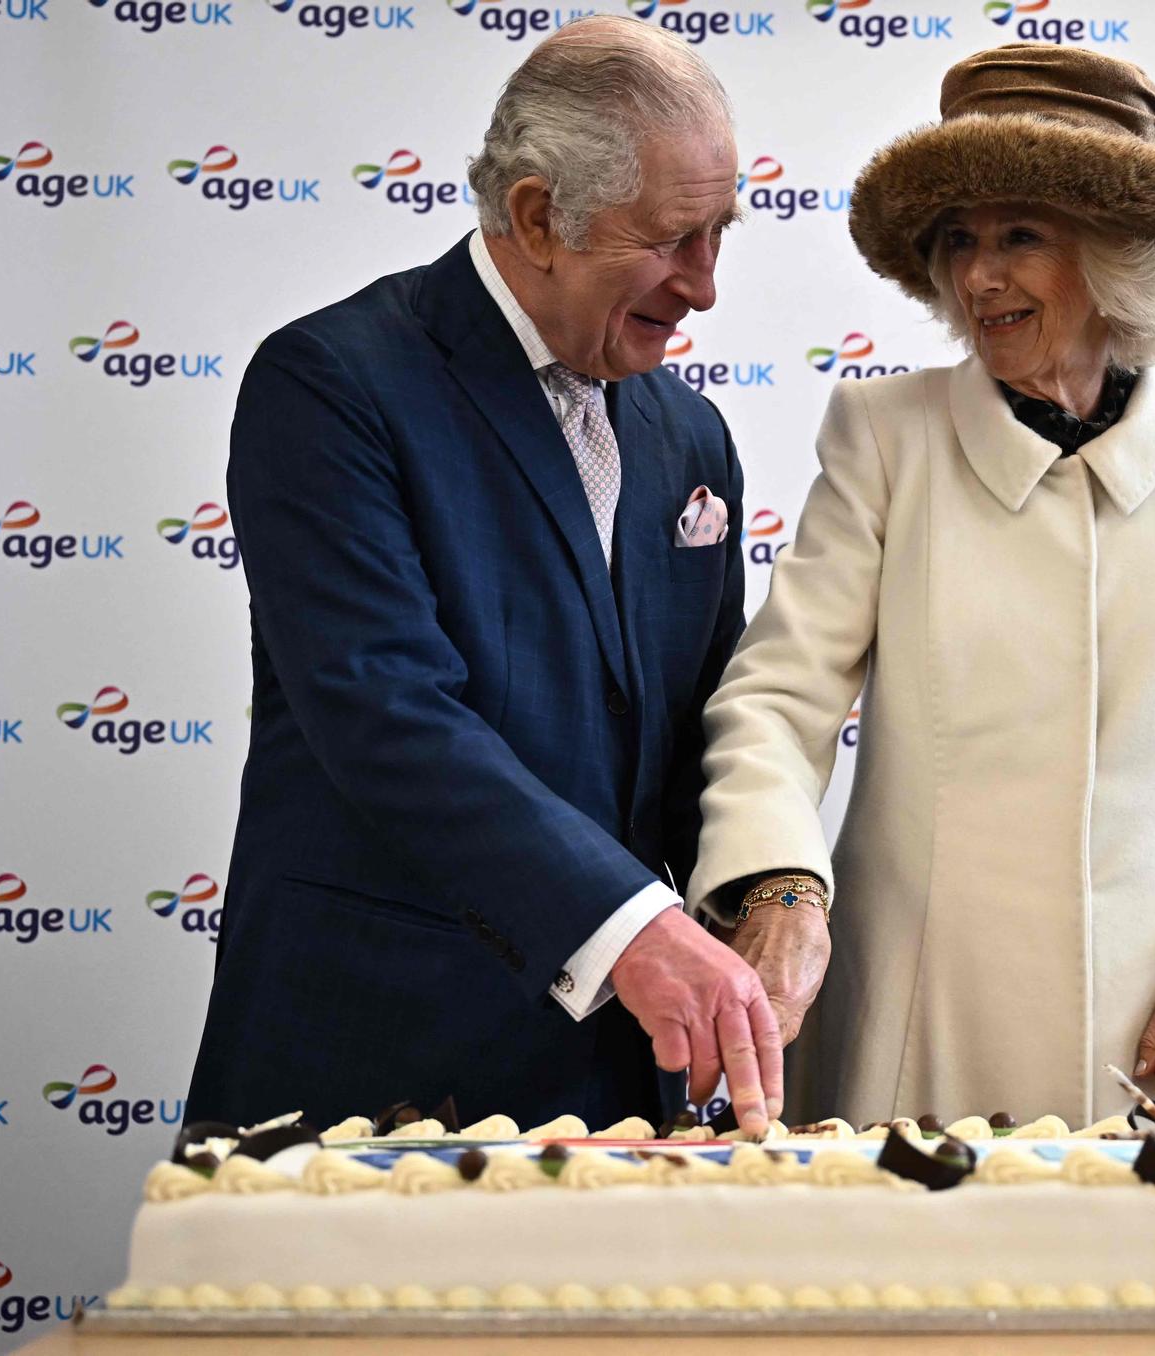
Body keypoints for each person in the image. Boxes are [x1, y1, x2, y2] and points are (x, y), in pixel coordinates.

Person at [686, 43, 1155, 1127]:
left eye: (1020, 236)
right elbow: (774, 701)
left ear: (1117, 251)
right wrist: (781, 887)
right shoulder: (884, 435)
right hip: (923, 1031)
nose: (979, 276)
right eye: (959, 242)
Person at [186, 15, 785, 1138]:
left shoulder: (689, 436)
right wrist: (635, 930)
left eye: (720, 235)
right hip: (381, 1062)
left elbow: (712, 727)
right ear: (535, 216)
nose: (704, 287)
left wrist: (771, 894)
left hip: (623, 1081)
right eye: (670, 239)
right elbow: (385, 710)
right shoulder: (331, 384)